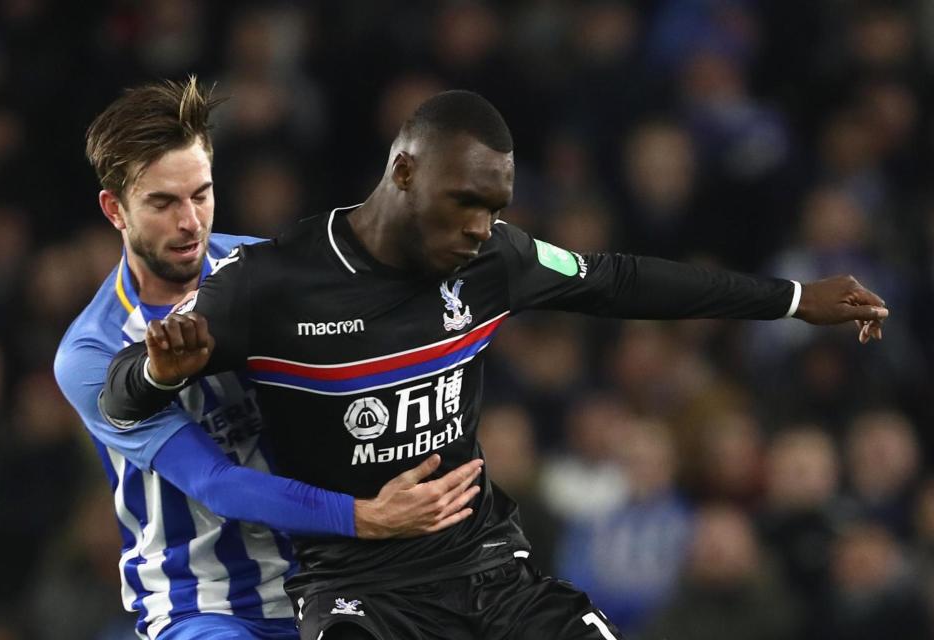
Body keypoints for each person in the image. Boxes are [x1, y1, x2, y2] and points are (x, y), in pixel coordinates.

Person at [101, 90, 888, 640]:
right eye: (466, 203)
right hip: (360, 591)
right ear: (403, 171)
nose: (484, 227)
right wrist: (162, 374)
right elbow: (121, 397)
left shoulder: (495, 262)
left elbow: (616, 279)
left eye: (497, 208)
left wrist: (789, 299)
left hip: (490, 571)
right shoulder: (270, 285)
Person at [54, 79, 483, 640]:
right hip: (205, 603)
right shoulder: (92, 351)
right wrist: (366, 515)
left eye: (201, 194)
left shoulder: (265, 269)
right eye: (162, 203)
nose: (189, 222)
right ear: (115, 210)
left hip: (336, 580)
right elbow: (215, 481)